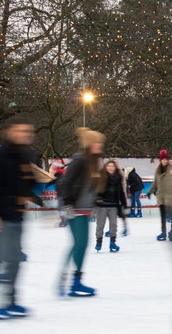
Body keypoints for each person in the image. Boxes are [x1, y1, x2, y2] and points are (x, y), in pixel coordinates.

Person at [0, 115, 38, 320]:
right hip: (4, 215)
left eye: (27, 132)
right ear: (10, 132)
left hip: (17, 214)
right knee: (7, 260)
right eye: (19, 131)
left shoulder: (24, 155)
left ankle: (12, 300)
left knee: (15, 260)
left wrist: (28, 193)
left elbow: (29, 181)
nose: (23, 135)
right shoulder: (2, 155)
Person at [58, 127, 105, 298]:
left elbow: (90, 188)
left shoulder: (93, 162)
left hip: (84, 209)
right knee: (80, 244)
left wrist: (94, 201)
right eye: (96, 142)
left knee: (80, 244)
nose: (100, 145)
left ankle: (69, 279)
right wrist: (68, 204)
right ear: (89, 144)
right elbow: (65, 182)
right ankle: (73, 281)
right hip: (75, 208)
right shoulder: (80, 160)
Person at [94, 159, 127, 252]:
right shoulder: (101, 177)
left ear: (115, 168)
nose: (110, 168)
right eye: (108, 166)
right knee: (100, 225)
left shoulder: (118, 178)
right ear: (105, 167)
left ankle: (113, 242)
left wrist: (123, 202)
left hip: (114, 205)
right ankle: (99, 242)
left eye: (112, 166)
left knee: (113, 225)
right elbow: (95, 190)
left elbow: (120, 192)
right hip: (102, 205)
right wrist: (97, 199)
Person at [150, 150, 172, 241]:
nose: (164, 161)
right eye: (163, 159)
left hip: (171, 196)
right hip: (161, 196)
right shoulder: (158, 170)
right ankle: (163, 232)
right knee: (163, 216)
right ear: (160, 160)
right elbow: (155, 182)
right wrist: (150, 191)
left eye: (166, 159)